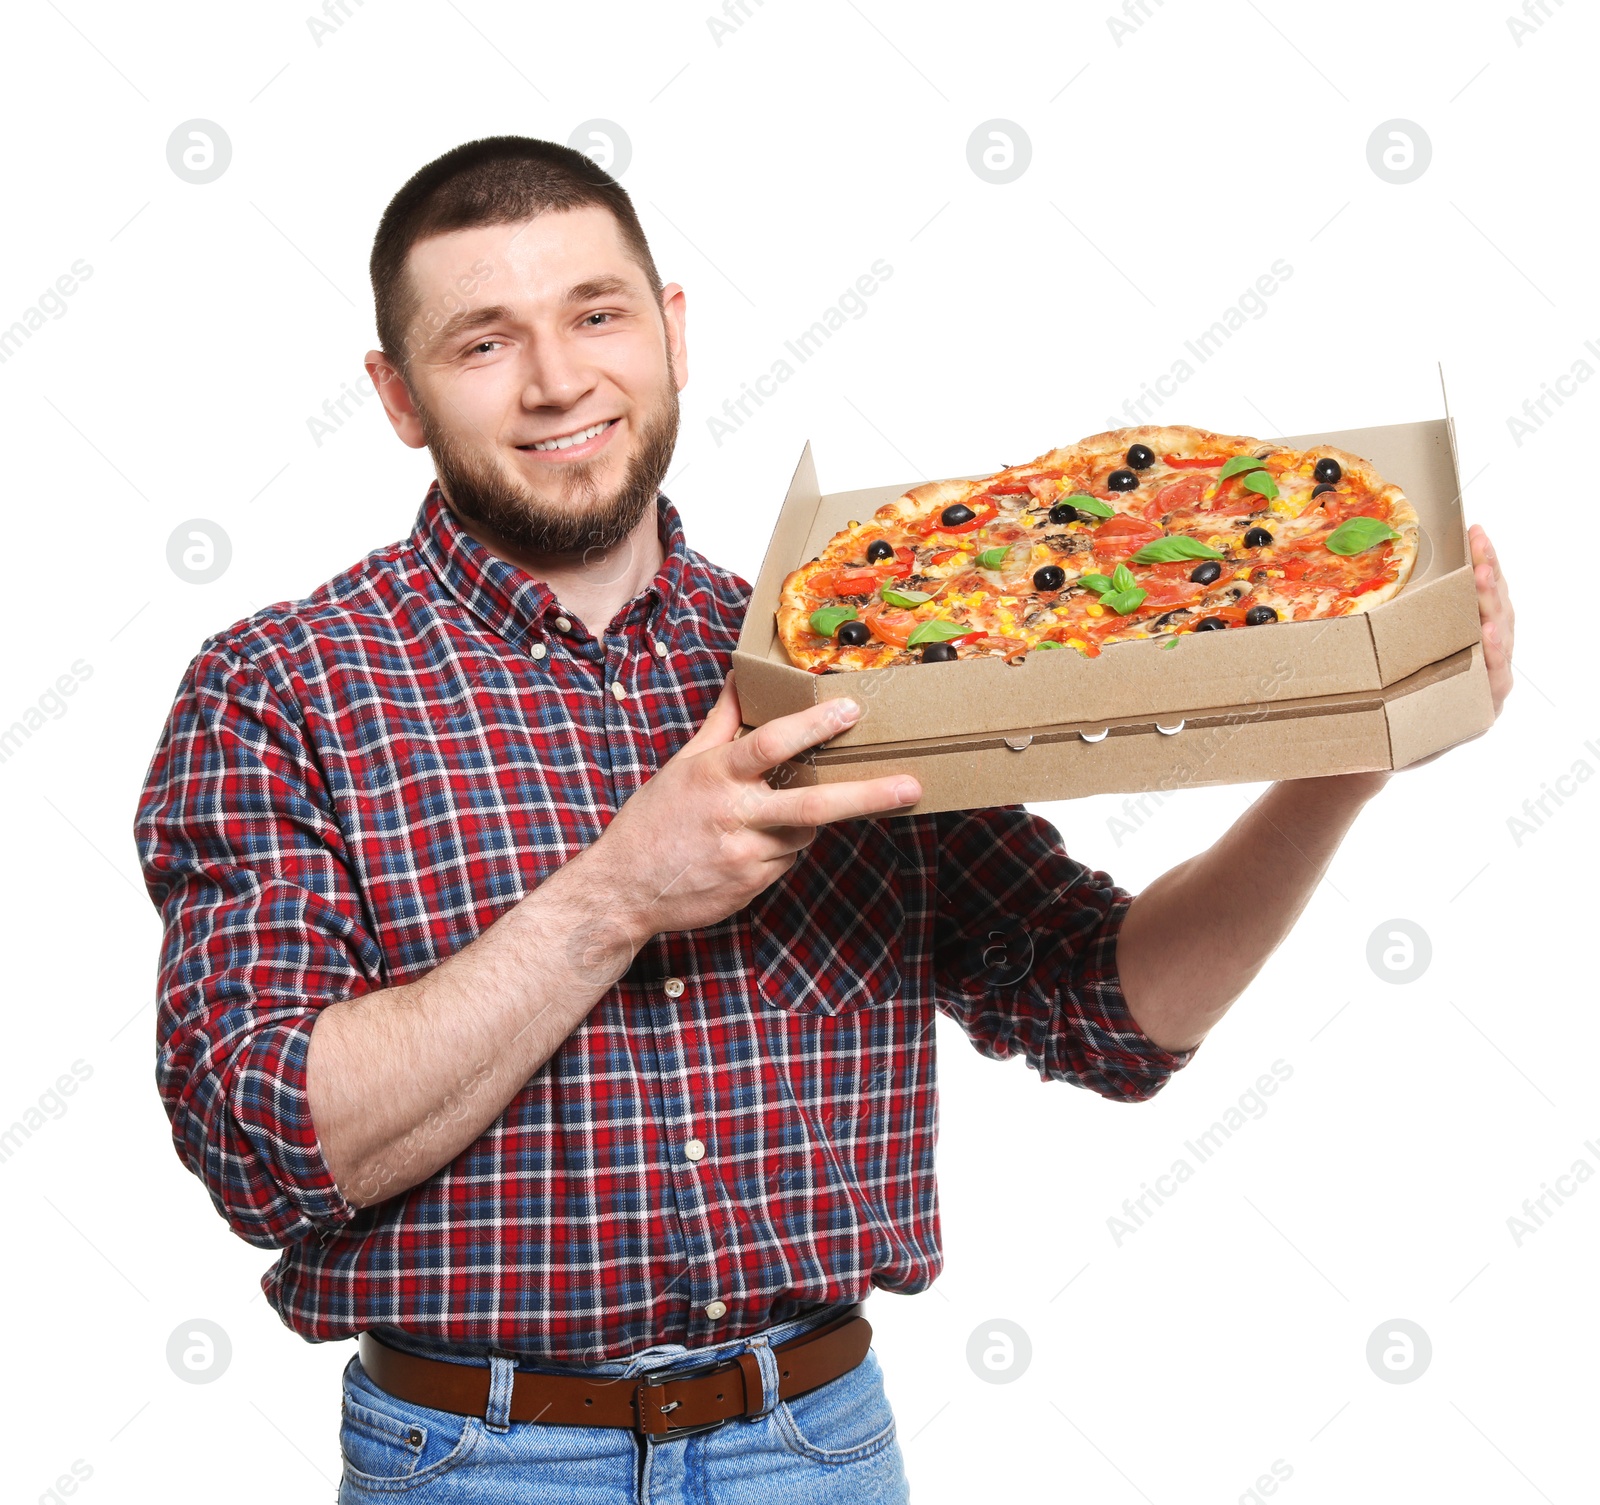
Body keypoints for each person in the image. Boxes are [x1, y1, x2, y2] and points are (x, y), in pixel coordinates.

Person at [132, 135, 1516, 1505]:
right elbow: (262, 1145)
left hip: (813, 1447)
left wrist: (1351, 737)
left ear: (672, 330)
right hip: (481, 1457)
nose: (560, 380)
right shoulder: (278, 688)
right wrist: (619, 889)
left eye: (597, 314)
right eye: (484, 343)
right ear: (397, 393)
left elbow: (1109, 1009)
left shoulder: (855, 647)